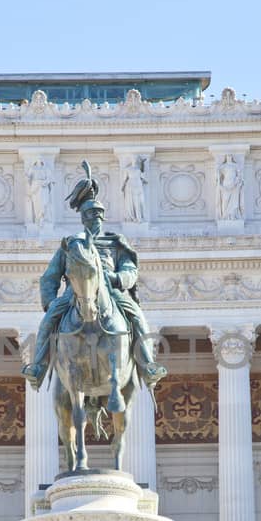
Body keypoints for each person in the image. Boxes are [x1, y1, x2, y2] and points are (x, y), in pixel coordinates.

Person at [21, 161, 166, 389]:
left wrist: (118, 279)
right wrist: (50, 302)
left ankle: (148, 366)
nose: (95, 218)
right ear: (83, 217)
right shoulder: (72, 245)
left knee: (136, 314)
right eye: (91, 214)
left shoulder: (115, 242)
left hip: (111, 293)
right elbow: (50, 276)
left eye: (98, 214)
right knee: (48, 321)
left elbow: (130, 270)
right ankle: (38, 366)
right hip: (74, 295)